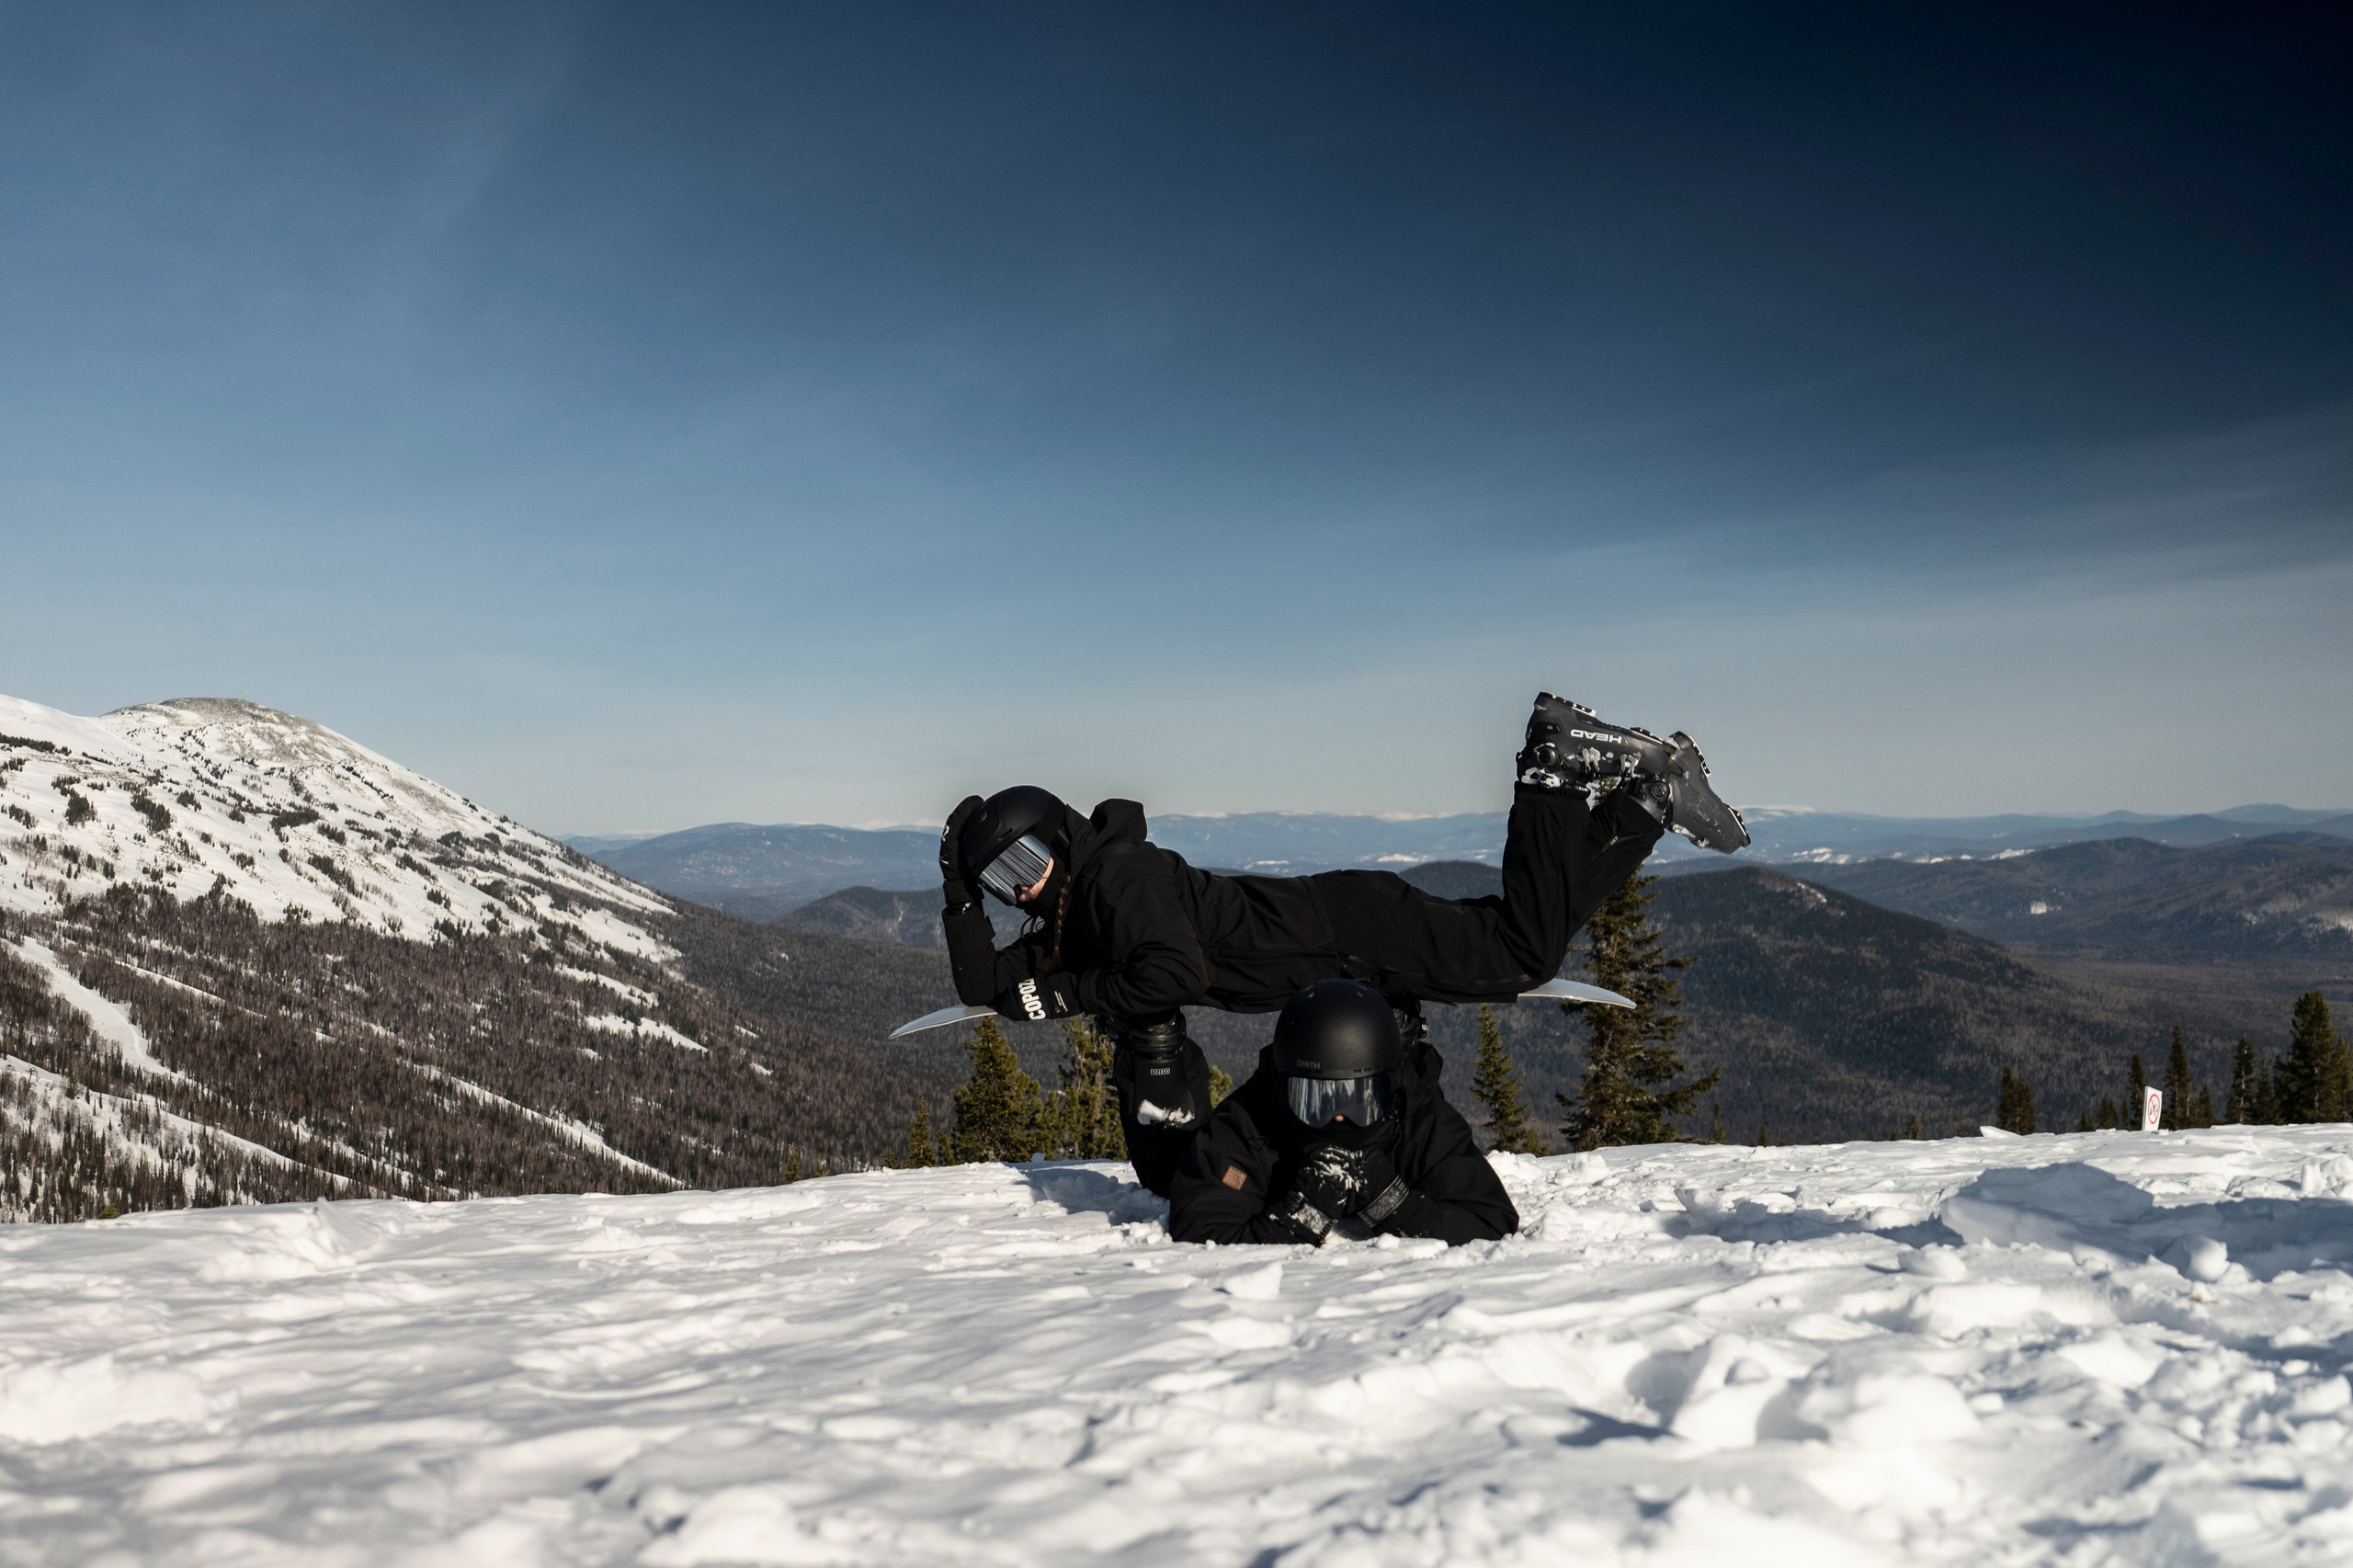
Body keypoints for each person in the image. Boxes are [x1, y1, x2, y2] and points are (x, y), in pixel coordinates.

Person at [937, 692, 1745, 1193]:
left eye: (1025, 862)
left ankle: (1550, 772)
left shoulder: (1120, 882)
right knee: (1521, 938)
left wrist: (1066, 994)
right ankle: (1643, 806)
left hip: (1354, 936)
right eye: (1005, 880)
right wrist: (958, 893)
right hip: (1346, 929)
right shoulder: (1083, 905)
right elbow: (982, 984)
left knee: (1520, 956)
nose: (1024, 888)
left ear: (1058, 838)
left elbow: (1170, 972)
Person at [1167, 979, 1518, 1246]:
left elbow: (1491, 1222)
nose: (1338, 1119)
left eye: (1359, 1100)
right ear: (1283, 1088)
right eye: (1316, 1100)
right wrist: (1300, 1218)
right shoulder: (1253, 1121)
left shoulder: (1415, 1117)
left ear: (1390, 1089)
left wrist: (1391, 1200)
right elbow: (1202, 1229)